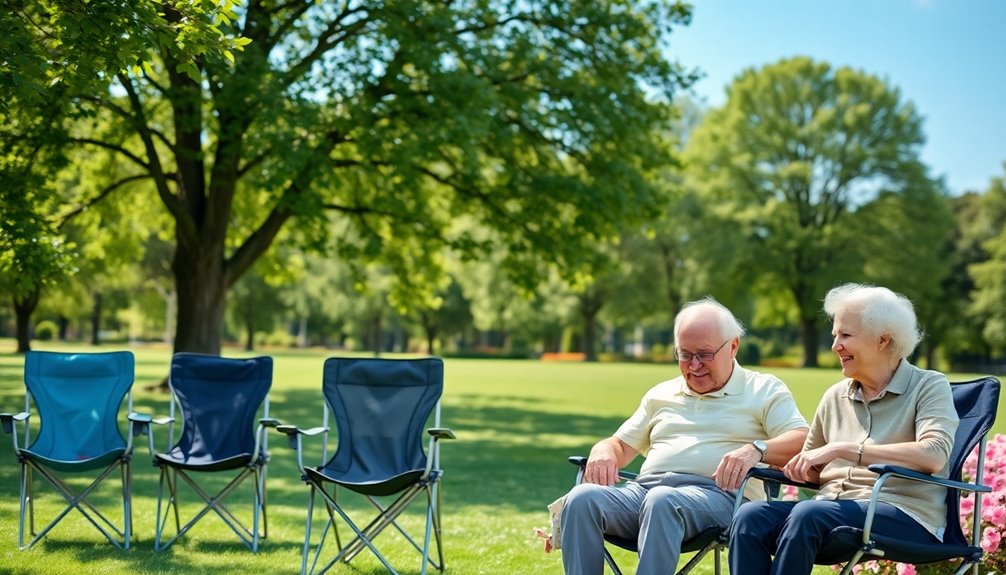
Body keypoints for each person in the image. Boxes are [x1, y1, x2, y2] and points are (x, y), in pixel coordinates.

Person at [560, 297, 809, 575]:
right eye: (684, 354)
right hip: (644, 493)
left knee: (663, 500)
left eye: (704, 354)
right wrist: (604, 450)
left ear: (733, 346)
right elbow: (620, 444)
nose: (693, 365)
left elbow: (802, 439)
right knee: (581, 498)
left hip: (719, 498)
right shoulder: (661, 394)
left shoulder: (764, 390)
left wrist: (756, 449)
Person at [728, 283, 960, 575]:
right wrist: (791, 464)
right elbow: (811, 470)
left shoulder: (929, 386)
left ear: (883, 340)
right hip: (832, 508)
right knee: (751, 516)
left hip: (905, 514)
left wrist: (844, 449)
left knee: (808, 513)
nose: (835, 345)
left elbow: (934, 455)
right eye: (835, 335)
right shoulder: (835, 395)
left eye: (846, 335)